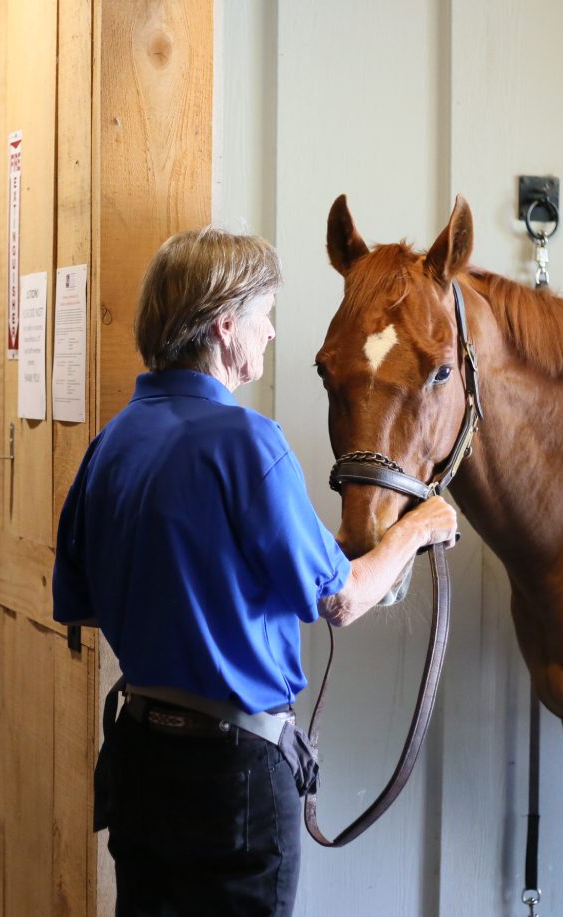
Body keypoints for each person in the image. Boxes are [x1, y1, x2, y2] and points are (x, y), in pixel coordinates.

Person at [52, 228, 458, 917]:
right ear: (225, 324)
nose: (271, 334)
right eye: (265, 314)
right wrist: (423, 525)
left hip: (140, 755)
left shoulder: (112, 441)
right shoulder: (249, 444)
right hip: (232, 773)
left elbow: (87, 601)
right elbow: (342, 599)